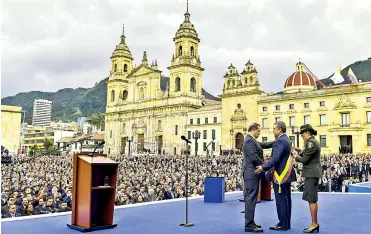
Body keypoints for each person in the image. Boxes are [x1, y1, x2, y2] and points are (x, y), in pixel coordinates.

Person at [255, 121, 296, 231]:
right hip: (287, 175)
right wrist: (254, 141)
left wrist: (263, 167)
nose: (273, 131)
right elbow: (268, 144)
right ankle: (286, 223)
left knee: (281, 200)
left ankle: (282, 224)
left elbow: (275, 158)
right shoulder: (285, 139)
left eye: (274, 129)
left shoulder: (280, 141)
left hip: (280, 175)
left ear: (279, 130)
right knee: (287, 199)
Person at [242, 123, 275, 232]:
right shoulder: (248, 141)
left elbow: (264, 145)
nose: (259, 133)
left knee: (251, 198)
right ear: (254, 130)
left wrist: (276, 142)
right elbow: (254, 157)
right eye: (259, 131)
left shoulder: (251, 140)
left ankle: (250, 221)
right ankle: (249, 225)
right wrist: (266, 166)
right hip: (252, 174)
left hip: (253, 173)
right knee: (251, 199)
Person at [291, 124, 321, 233]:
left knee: (311, 199)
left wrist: (294, 154)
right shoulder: (311, 142)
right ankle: (314, 223)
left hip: (311, 174)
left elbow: (304, 160)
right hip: (311, 173)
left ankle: (314, 224)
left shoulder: (311, 143)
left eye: (303, 134)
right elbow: (304, 152)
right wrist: (297, 150)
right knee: (311, 199)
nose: (302, 136)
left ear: (307, 133)